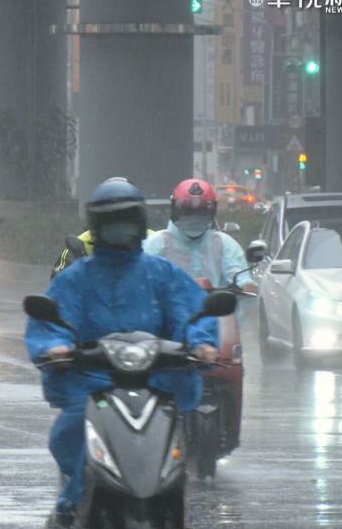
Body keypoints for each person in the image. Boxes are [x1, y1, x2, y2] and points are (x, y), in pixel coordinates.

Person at [24, 177, 219, 528]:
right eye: (112, 221)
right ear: (97, 226)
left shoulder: (162, 275)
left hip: (157, 384)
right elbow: (52, 321)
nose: (120, 229)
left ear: (141, 223)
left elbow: (191, 313)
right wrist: (54, 347)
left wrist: (201, 343)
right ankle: (72, 499)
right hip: (91, 386)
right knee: (68, 432)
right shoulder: (76, 279)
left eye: (127, 220)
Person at [143, 179, 258, 294]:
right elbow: (141, 278)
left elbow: (239, 273)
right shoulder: (157, 243)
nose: (194, 218)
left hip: (216, 309)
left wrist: (246, 286)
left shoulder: (223, 243)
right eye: (188, 211)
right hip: (168, 310)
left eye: (201, 212)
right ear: (175, 210)